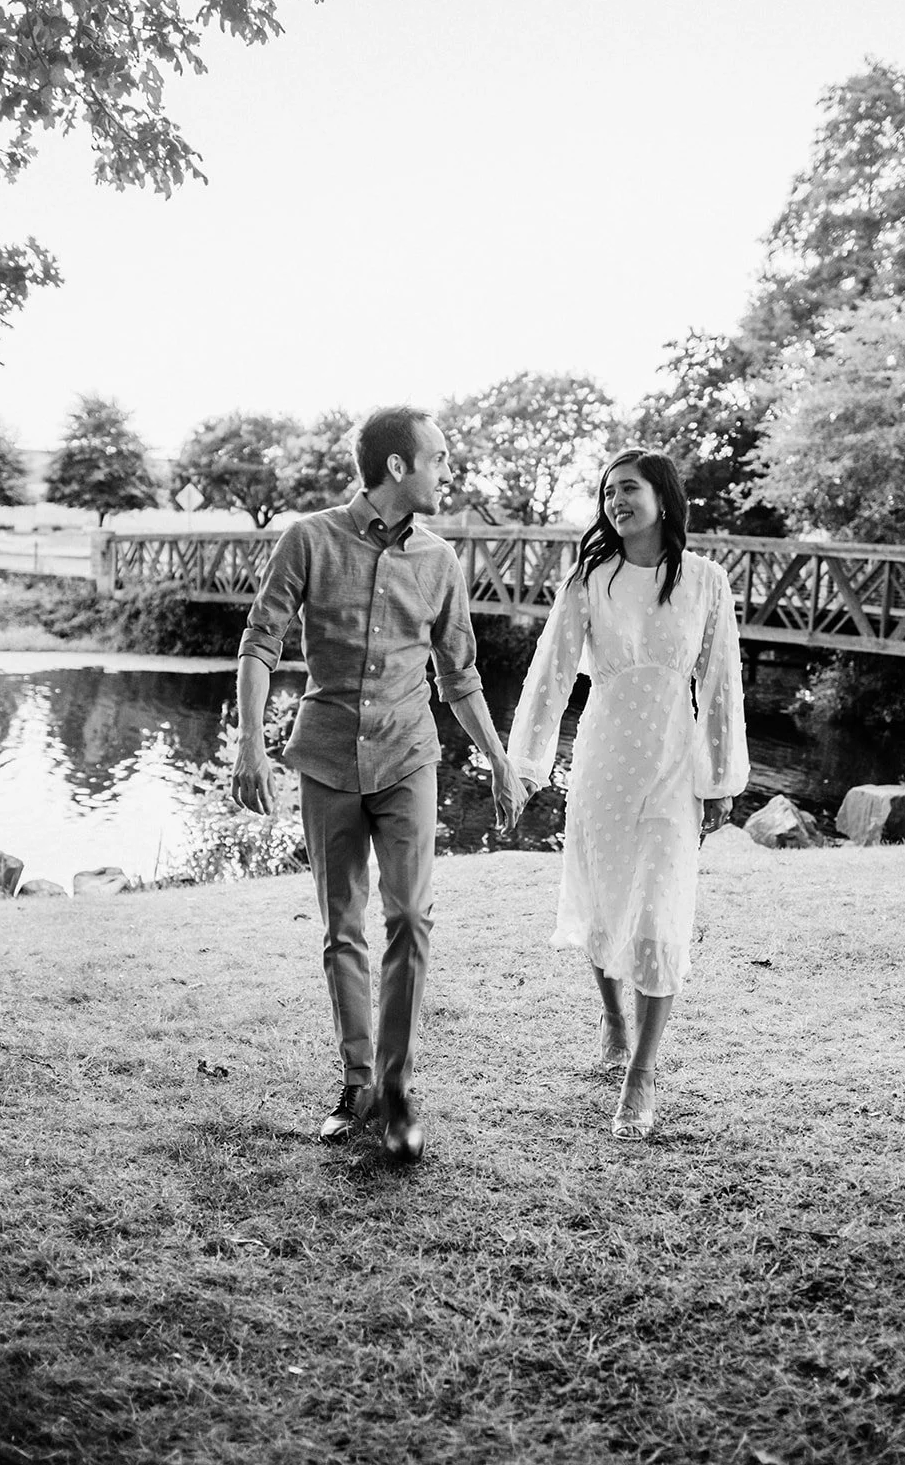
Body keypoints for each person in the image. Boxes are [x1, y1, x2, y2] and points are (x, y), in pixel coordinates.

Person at [231, 405, 526, 1162]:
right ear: (398, 466)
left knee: (411, 918)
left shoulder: (439, 561)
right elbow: (260, 642)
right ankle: (357, 1081)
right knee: (341, 927)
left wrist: (496, 758)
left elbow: (458, 674)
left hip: (407, 758)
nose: (448, 471)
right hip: (326, 757)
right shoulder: (308, 537)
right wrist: (250, 748)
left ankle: (395, 1088)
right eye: (440, 458)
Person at [506, 448, 749, 1139]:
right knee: (605, 895)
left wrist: (721, 775)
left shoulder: (705, 581)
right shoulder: (591, 579)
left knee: (659, 909)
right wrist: (526, 765)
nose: (616, 500)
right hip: (604, 760)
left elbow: (722, 681)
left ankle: (641, 1075)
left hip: (672, 764)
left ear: (663, 499)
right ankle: (613, 1021)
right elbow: (549, 676)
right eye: (607, 491)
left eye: (629, 488)